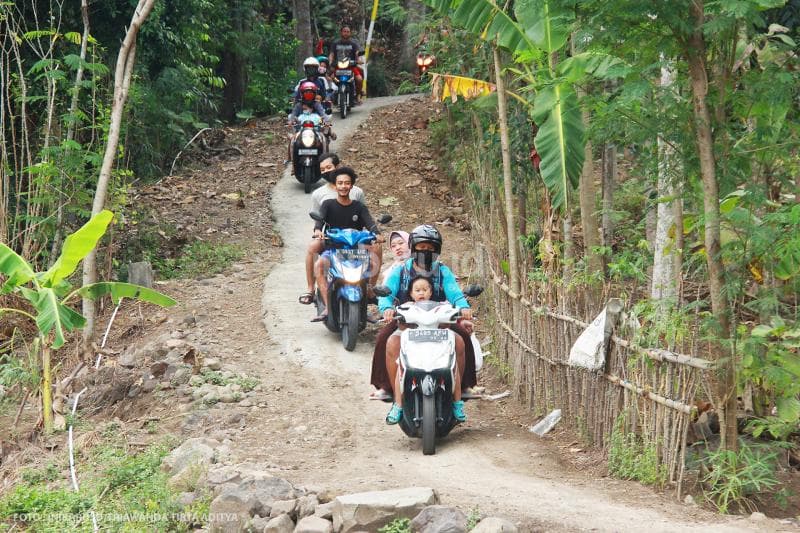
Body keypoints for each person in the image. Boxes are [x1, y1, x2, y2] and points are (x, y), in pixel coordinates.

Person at [370, 225, 478, 407]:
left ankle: (465, 385)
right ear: (413, 247)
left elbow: (455, 294)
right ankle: (387, 386)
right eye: (421, 247)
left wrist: (463, 307)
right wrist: (387, 308)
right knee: (384, 339)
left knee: (462, 338)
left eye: (430, 248)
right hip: (406, 321)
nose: (425, 252)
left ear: (437, 250)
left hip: (438, 321)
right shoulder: (400, 271)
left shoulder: (443, 271)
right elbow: (387, 295)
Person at [384, 275, 467, 425]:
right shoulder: (405, 307)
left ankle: (457, 402)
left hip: (438, 343)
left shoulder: (442, 306)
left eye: (425, 289)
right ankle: (398, 404)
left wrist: (463, 309)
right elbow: (401, 325)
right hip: (414, 345)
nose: (421, 293)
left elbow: (449, 320)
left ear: (431, 292)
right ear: (411, 293)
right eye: (417, 290)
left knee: (452, 362)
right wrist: (390, 311)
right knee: (401, 364)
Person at [312, 167, 385, 321]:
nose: (343, 186)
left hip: (356, 251)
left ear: (352, 186)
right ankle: (326, 307)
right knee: (319, 265)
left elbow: (370, 222)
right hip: (333, 250)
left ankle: (370, 291)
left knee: (373, 261)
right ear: (335, 185)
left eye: (347, 183)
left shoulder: (359, 206)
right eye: (340, 183)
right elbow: (320, 220)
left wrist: (377, 233)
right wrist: (318, 230)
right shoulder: (328, 204)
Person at [298, 153, 366, 306]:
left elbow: (364, 216)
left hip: (354, 239)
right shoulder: (318, 194)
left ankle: (371, 288)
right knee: (313, 246)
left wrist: (373, 234)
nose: (326, 171)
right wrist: (318, 232)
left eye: (329, 167)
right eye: (322, 170)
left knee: (375, 246)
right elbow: (318, 219)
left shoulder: (357, 192)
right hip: (331, 239)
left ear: (337, 167)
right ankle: (310, 288)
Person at [328, 25, 365, 104]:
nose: (346, 33)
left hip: (350, 66)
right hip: (338, 65)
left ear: (350, 33)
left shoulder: (353, 44)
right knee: (329, 76)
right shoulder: (335, 43)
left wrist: (358, 60)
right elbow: (331, 54)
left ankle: (358, 95)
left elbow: (357, 54)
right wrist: (330, 61)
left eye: (348, 32)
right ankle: (330, 97)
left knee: (359, 79)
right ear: (341, 32)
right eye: (344, 31)